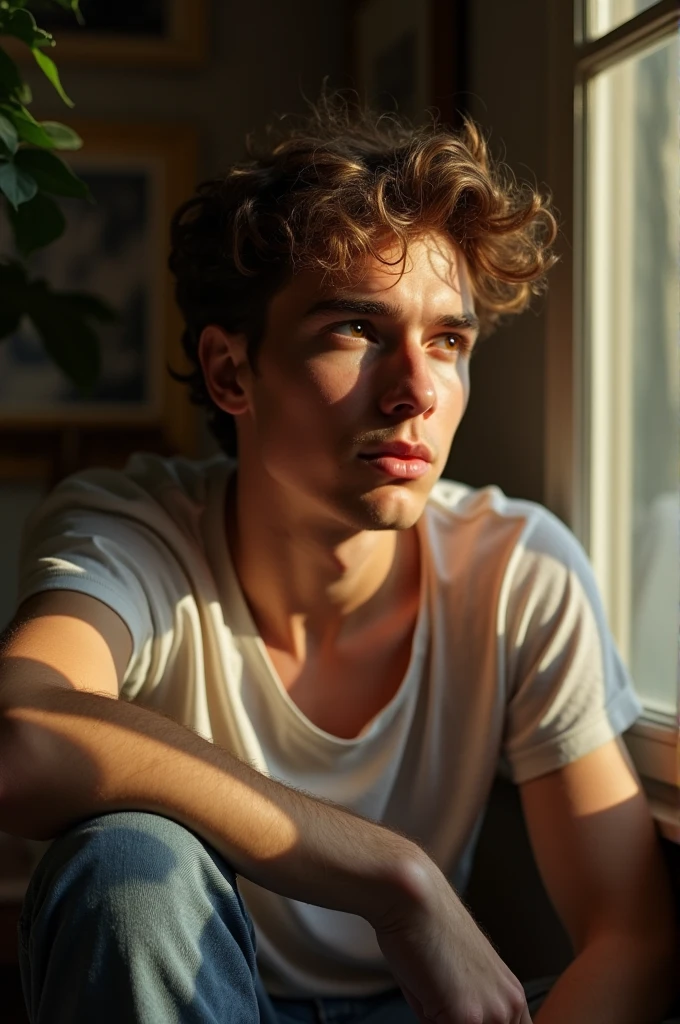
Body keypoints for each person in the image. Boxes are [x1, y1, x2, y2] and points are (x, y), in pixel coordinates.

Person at [0, 92, 677, 1024]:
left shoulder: (516, 568)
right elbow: (22, 735)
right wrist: (396, 877)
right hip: (187, 997)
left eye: (448, 341)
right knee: (126, 866)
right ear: (233, 371)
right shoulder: (133, 532)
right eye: (356, 330)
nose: (416, 391)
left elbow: (631, 937)